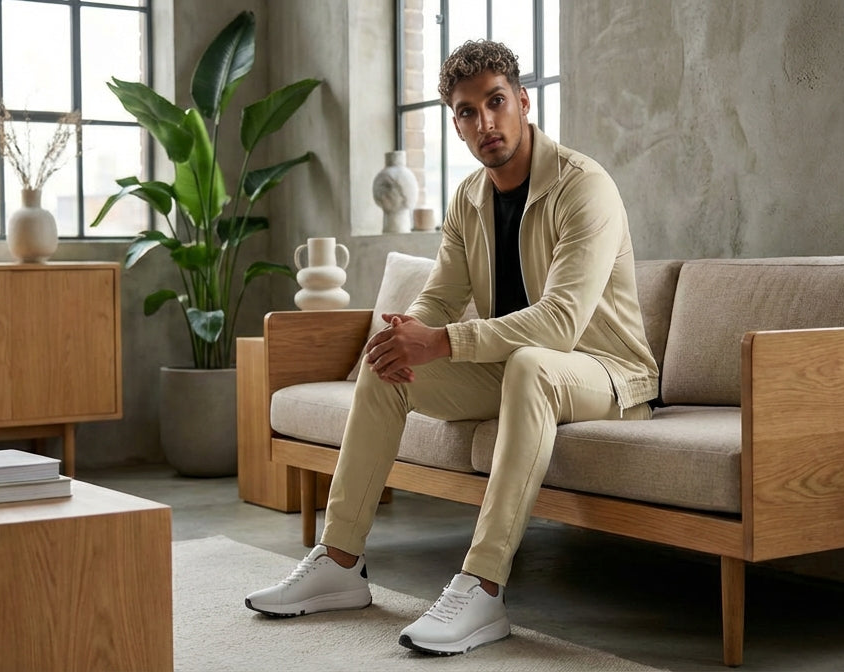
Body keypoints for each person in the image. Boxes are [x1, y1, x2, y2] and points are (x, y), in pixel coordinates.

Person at [244, 39, 659, 656]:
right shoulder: (469, 199)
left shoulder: (583, 186)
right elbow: (439, 298)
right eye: (467, 112)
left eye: (496, 102)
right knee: (386, 368)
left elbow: (561, 324)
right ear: (456, 124)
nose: (485, 123)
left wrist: (443, 341)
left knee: (531, 364)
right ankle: (339, 561)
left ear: (522, 101)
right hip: (519, 369)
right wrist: (401, 336)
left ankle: (482, 586)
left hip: (607, 374)